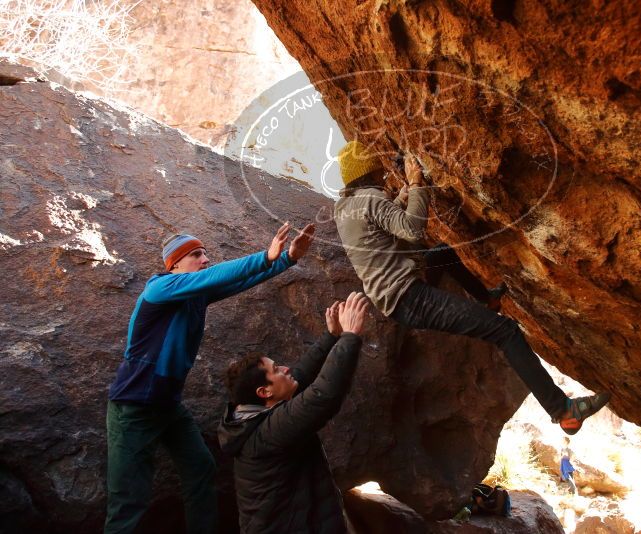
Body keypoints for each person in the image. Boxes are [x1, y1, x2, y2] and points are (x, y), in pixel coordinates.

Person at [333, 140, 610, 434]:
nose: (383, 175)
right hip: (411, 296)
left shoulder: (345, 207)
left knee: (443, 253)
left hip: (395, 297)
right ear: (371, 171)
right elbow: (412, 229)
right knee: (505, 332)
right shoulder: (371, 200)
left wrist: (404, 196)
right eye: (378, 170)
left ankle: (487, 299)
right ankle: (562, 411)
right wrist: (416, 185)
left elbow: (380, 222)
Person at [104, 222, 315, 534]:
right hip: (133, 408)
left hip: (167, 406)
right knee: (128, 500)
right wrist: (266, 255)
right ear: (174, 264)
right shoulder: (158, 289)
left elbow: (238, 281)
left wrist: (287, 259)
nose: (205, 260)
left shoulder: (194, 297)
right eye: (197, 255)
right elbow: (217, 276)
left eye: (205, 254)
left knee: (201, 468)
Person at [218, 292, 369, 534]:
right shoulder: (267, 433)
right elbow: (322, 396)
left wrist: (332, 336)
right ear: (264, 392)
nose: (286, 368)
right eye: (276, 369)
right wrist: (350, 337)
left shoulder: (251, 416)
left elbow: (297, 377)